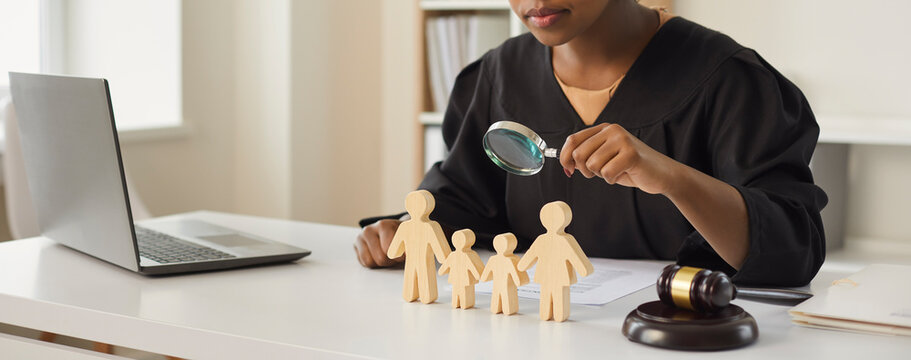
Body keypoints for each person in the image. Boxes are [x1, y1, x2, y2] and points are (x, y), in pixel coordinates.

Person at [355, 0, 827, 286]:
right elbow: (463, 200)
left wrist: (670, 177)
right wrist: (406, 230)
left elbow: (793, 246)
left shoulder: (729, 80)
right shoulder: (496, 76)